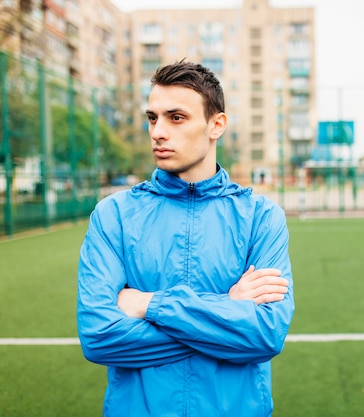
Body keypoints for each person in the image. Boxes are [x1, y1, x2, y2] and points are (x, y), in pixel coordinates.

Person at [76, 60, 294, 417]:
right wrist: (227, 309)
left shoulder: (261, 217)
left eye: (176, 117)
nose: (158, 131)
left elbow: (264, 335)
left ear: (216, 125)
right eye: (152, 118)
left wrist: (148, 305)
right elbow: (99, 337)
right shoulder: (113, 215)